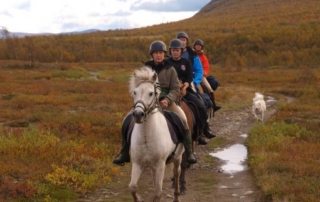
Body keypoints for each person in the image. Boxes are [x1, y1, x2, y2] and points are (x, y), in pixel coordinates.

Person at [113, 40, 197, 165]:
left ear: (164, 54)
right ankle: (124, 152)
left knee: (183, 120)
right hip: (147, 102)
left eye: (161, 53)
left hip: (166, 101)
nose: (158, 55)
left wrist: (168, 99)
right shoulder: (145, 68)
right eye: (156, 53)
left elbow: (175, 89)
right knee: (126, 120)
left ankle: (189, 152)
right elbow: (137, 87)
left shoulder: (170, 69)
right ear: (152, 54)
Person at [167, 38, 208, 145]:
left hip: (185, 90)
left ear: (181, 51)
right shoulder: (166, 62)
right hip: (169, 91)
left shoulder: (186, 62)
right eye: (173, 50)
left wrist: (185, 85)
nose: (175, 52)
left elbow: (189, 77)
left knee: (201, 106)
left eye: (177, 50)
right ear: (170, 51)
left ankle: (199, 133)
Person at [176, 32, 215, 139]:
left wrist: (195, 81)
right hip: (175, 84)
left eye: (184, 39)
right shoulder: (173, 52)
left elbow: (199, 70)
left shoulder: (192, 54)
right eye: (180, 39)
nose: (182, 41)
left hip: (191, 81)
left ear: (187, 41)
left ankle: (203, 129)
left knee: (200, 102)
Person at [193, 39, 221, 111]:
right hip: (191, 75)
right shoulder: (191, 54)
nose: (198, 47)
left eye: (199, 46)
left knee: (209, 88)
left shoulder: (203, 57)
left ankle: (213, 105)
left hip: (201, 75)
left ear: (202, 47)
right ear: (194, 46)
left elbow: (206, 67)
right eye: (197, 46)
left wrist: (203, 73)